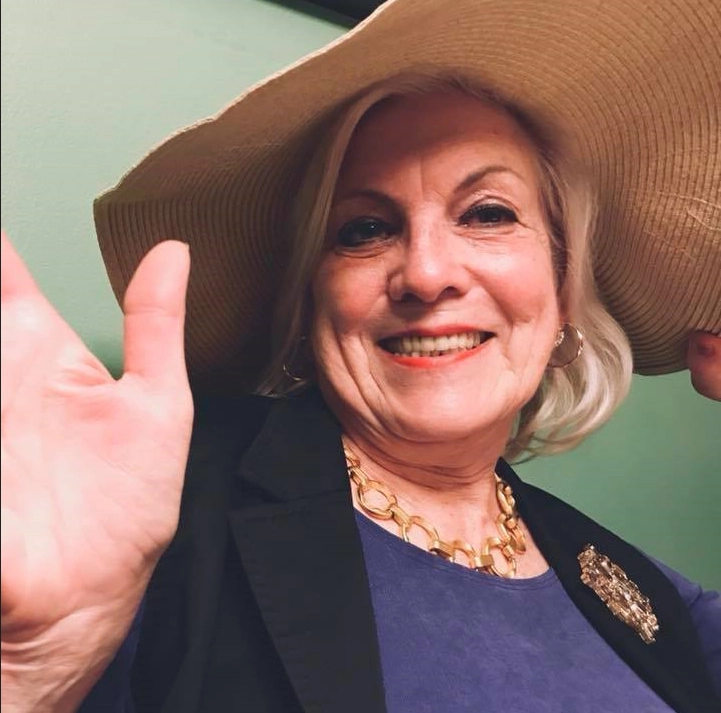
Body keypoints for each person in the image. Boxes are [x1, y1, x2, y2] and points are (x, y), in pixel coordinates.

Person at [1, 0, 719, 711]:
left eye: (487, 214)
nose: (426, 274)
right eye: (365, 230)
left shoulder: (649, 597)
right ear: (313, 301)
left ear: (562, 292)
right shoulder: (164, 507)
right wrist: (31, 676)